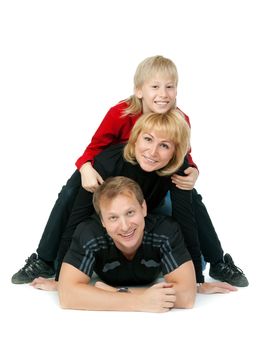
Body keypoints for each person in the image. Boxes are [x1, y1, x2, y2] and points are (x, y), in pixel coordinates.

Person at [11, 55, 248, 287]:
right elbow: (95, 149)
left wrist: (192, 170)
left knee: (191, 200)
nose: (162, 94)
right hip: (111, 173)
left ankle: (218, 262)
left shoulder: (180, 119)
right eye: (155, 86)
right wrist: (85, 168)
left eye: (169, 87)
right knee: (70, 193)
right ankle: (44, 260)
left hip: (153, 182)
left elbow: (182, 155)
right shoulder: (121, 113)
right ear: (139, 90)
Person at [32, 111, 237, 295]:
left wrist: (197, 282)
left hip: (149, 212)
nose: (153, 152)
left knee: (194, 257)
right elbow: (77, 216)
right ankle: (49, 261)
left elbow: (186, 219)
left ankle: (216, 261)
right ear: (135, 139)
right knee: (82, 242)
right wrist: (61, 279)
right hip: (112, 215)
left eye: (164, 145)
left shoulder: (178, 169)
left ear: (175, 152)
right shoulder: (108, 162)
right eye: (147, 139)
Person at [32, 176, 237, 312]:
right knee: (65, 269)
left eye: (130, 213)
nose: (124, 226)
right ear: (102, 221)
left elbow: (187, 296)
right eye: (113, 218)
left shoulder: (165, 231)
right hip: (104, 261)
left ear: (144, 208)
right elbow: (67, 296)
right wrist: (139, 302)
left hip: (161, 260)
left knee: (196, 266)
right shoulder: (89, 232)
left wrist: (110, 293)